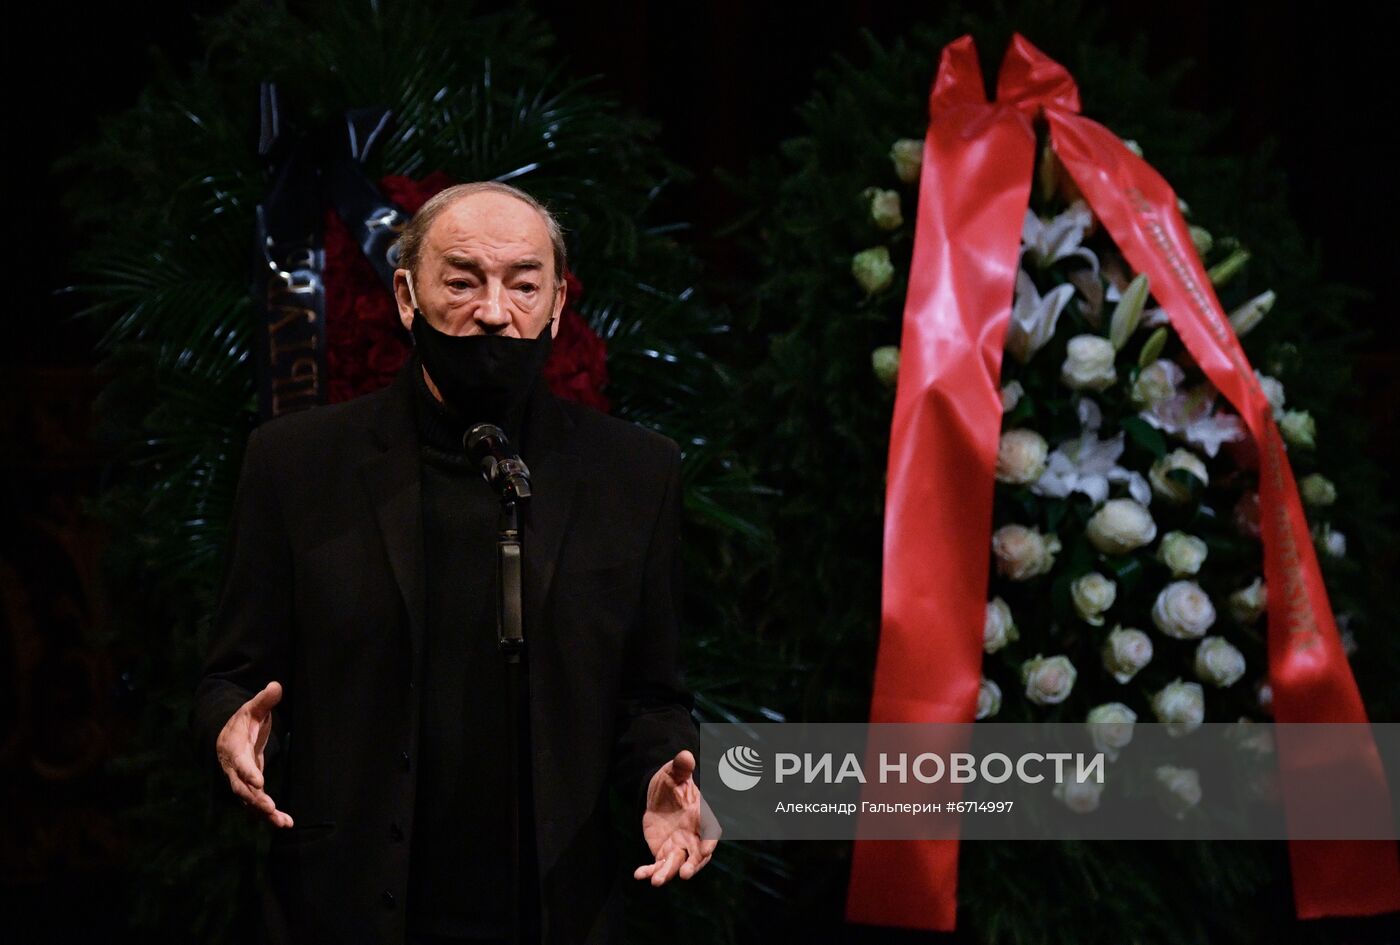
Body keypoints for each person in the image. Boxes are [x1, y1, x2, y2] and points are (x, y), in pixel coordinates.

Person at [191, 181, 719, 945]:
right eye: (464, 281)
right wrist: (228, 731)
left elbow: (654, 695)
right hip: (347, 906)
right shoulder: (299, 465)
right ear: (406, 295)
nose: (496, 312)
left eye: (524, 284)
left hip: (555, 911)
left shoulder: (635, 474)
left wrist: (661, 780)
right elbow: (229, 676)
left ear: (558, 303)